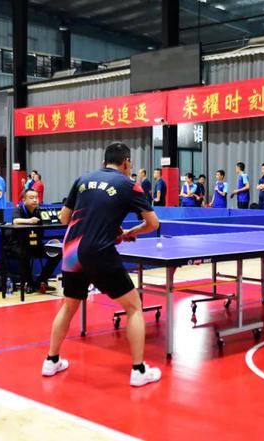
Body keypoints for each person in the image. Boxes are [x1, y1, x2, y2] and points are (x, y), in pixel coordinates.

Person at [44, 142, 161, 387]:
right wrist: (129, 233)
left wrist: (102, 225)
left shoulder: (82, 179)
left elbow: (64, 218)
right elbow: (153, 223)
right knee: (134, 307)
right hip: (98, 251)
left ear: (103, 162)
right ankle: (139, 370)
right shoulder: (129, 184)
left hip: (71, 250)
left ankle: (51, 361)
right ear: (126, 163)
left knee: (69, 306)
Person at [11, 188, 61, 294]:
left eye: (36, 198)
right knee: (24, 254)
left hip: (35, 244)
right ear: (24, 200)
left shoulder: (39, 211)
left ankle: (41, 281)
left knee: (57, 253)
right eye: (31, 198)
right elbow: (16, 221)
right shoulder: (19, 209)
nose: (35, 200)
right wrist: (30, 221)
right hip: (19, 244)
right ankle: (29, 283)